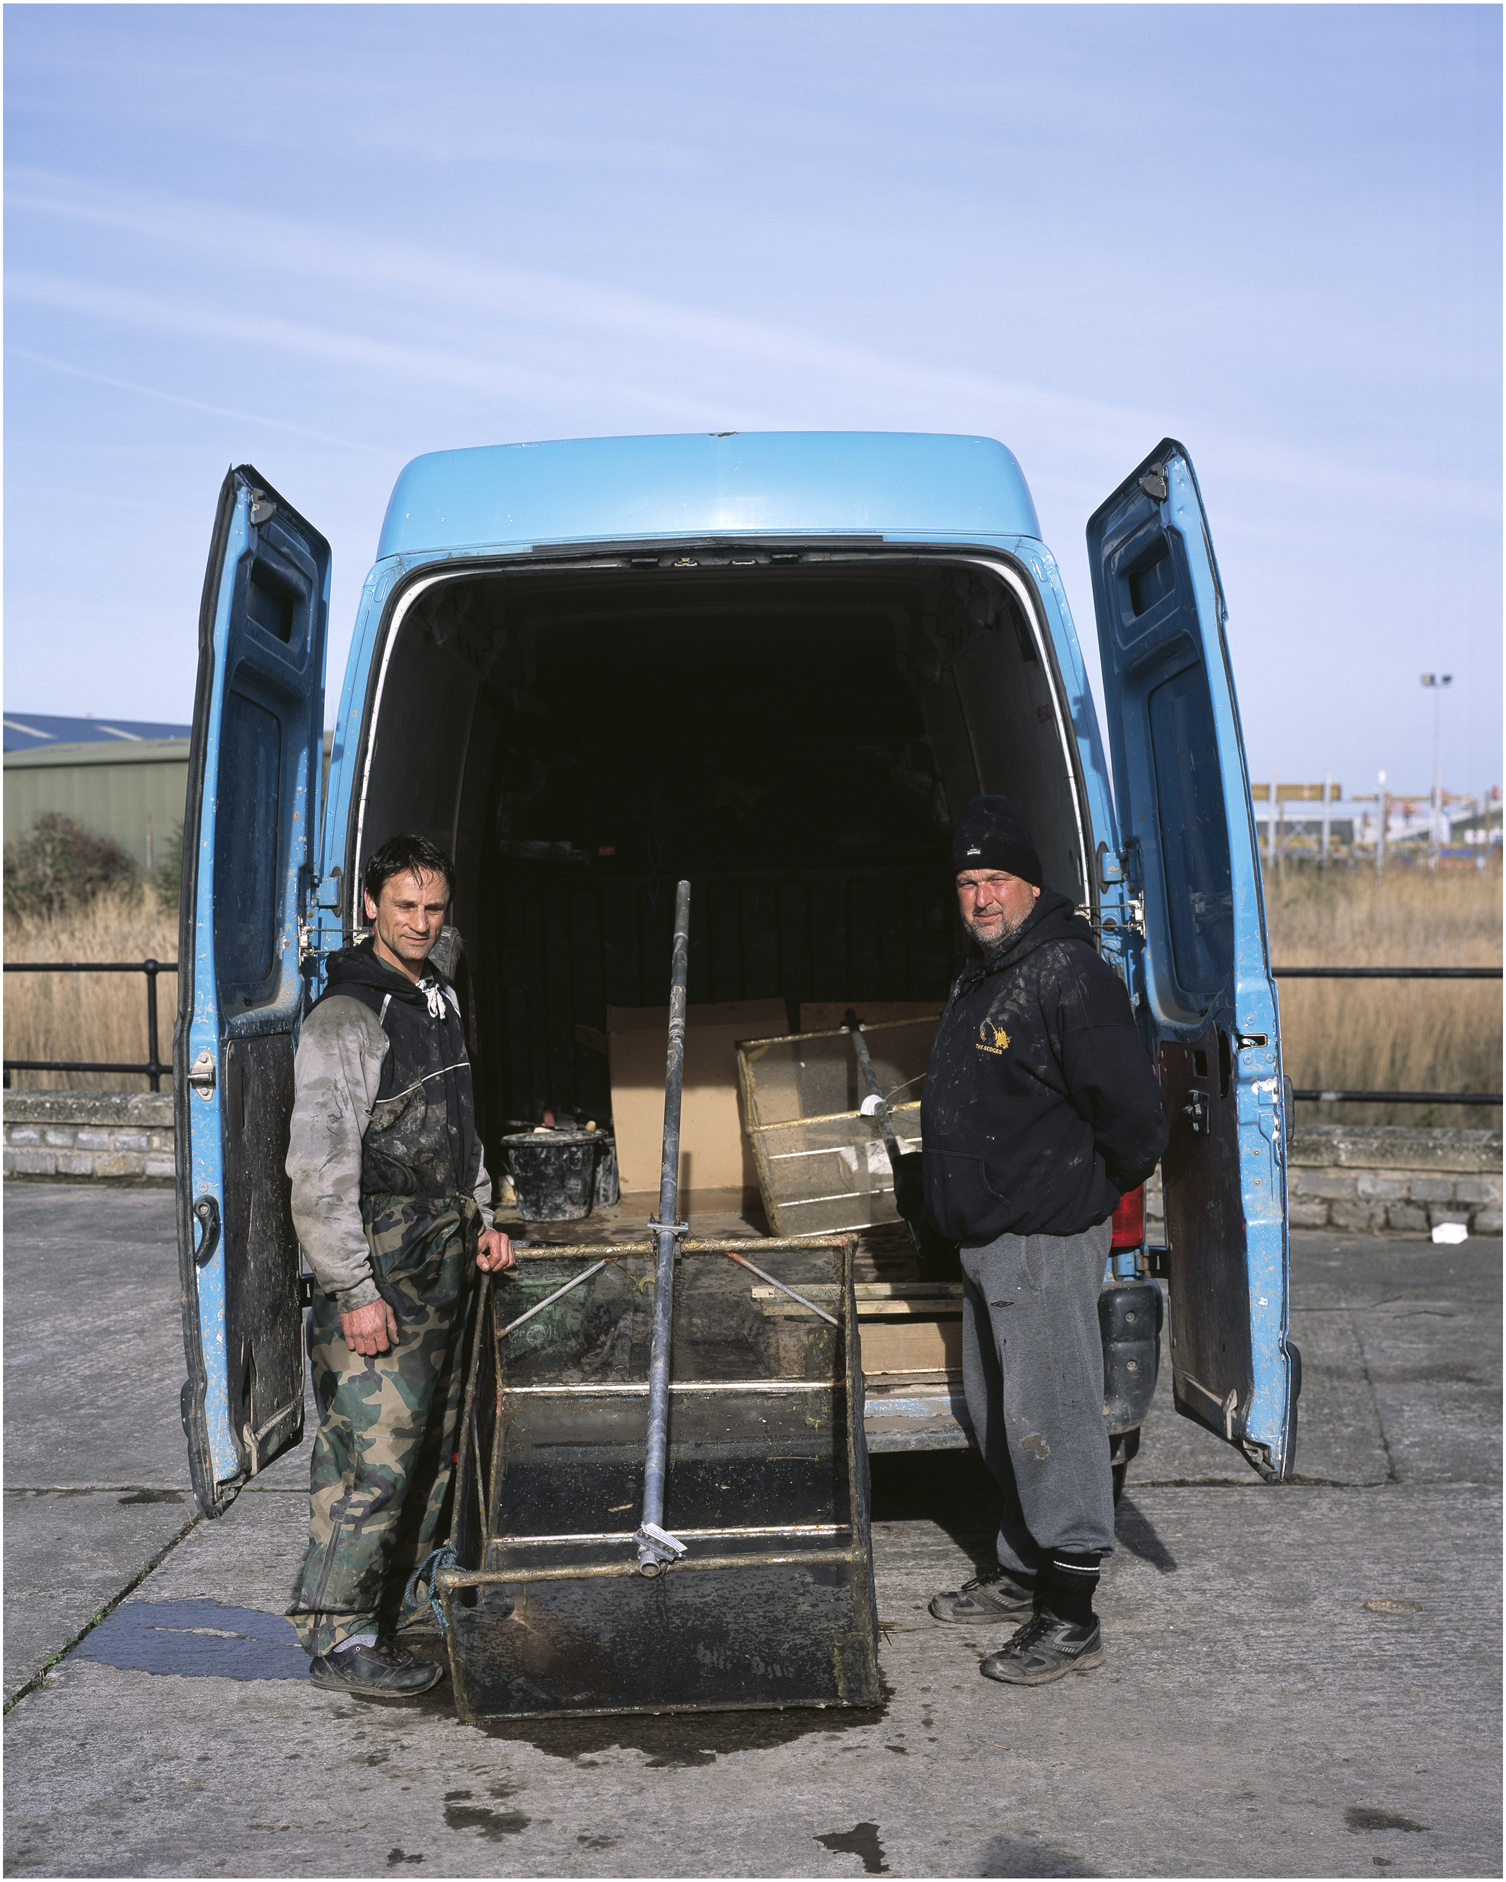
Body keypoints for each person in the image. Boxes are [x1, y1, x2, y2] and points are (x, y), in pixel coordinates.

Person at [921, 794, 1167, 1685]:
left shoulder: (1065, 974)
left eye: (997, 880)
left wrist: (1080, 1196)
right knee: (999, 1416)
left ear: (1031, 885)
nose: (981, 898)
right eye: (967, 882)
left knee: (1052, 1419)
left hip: (1041, 1233)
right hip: (990, 1238)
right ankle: (1023, 1574)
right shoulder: (989, 972)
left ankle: (1070, 1616)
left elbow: (1136, 1118)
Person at [284, 833, 515, 1698]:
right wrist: (351, 1289)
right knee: (368, 1457)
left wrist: (484, 1216)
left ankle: (412, 1611)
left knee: (434, 1452)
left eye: (434, 908)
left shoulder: (437, 999)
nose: (421, 923)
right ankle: (339, 1638)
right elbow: (318, 1171)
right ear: (370, 908)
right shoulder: (347, 1021)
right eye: (405, 907)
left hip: (444, 1258)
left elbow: (463, 1127)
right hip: (379, 1265)